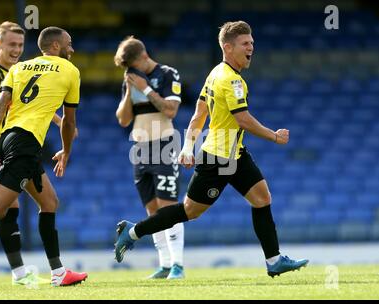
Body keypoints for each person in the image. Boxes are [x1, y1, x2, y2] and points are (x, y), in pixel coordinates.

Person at [114, 21, 309, 277]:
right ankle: (132, 231)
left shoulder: (216, 72)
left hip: (235, 153)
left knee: (262, 198)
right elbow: (243, 119)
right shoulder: (231, 80)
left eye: (252, 42)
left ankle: (273, 261)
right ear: (228, 47)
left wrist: (187, 147)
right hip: (218, 158)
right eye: (245, 44)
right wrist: (274, 136)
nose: (251, 47)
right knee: (189, 211)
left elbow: (198, 113)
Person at [0, 26, 87, 286]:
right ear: (55, 46)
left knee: (50, 202)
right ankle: (30, 273)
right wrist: (66, 152)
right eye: (69, 43)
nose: (73, 48)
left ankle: (58, 272)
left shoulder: (19, 69)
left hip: (10, 139)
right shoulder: (70, 71)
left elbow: (0, 107)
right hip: (25, 143)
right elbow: (69, 122)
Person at [114, 36, 185, 279]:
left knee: (169, 207)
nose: (131, 71)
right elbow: (123, 120)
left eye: (133, 65)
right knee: (152, 210)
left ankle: (178, 264)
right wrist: (130, 91)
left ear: (144, 57)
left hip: (163, 144)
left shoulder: (167, 74)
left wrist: (145, 88)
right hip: (139, 147)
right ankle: (165, 265)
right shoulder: (131, 80)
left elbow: (170, 110)